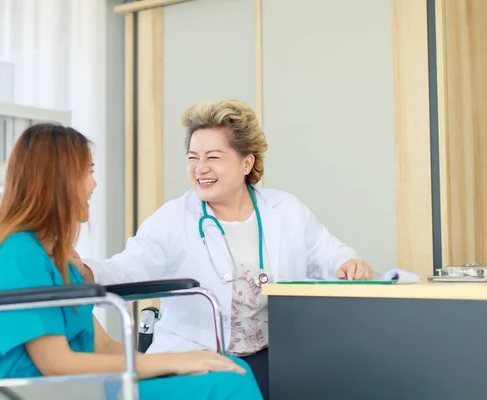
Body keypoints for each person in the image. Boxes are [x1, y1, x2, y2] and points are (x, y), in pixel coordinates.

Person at [80, 99, 375, 400]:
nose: (200, 168)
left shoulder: (286, 211)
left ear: (246, 163)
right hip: (197, 358)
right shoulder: (172, 219)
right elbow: (128, 270)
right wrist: (87, 272)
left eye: (213, 157)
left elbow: (331, 255)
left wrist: (350, 264)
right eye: (193, 157)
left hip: (272, 357)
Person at [0, 123, 264, 400]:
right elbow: (55, 364)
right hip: (48, 392)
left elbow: (101, 345)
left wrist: (181, 362)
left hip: (86, 386)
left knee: (229, 368)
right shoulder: (17, 253)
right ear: (60, 179)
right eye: (88, 172)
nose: (93, 185)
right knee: (230, 385)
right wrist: (175, 361)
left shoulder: (51, 257)